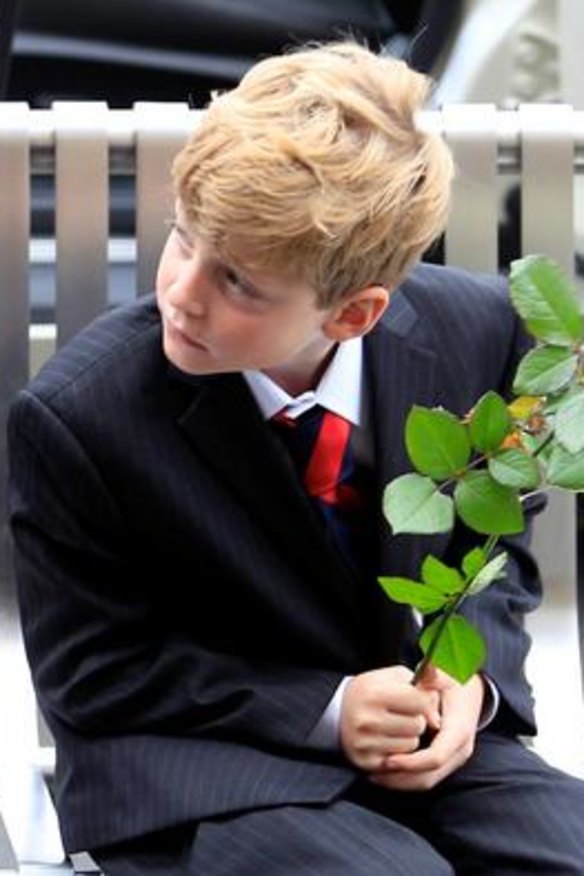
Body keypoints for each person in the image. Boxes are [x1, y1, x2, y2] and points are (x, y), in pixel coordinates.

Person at [8, 40, 584, 875]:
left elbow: (491, 556)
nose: (181, 291)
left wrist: (471, 682)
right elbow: (94, 671)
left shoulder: (479, 335)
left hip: (417, 747)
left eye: (238, 282)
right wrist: (328, 707)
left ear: (356, 313)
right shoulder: (78, 417)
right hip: (201, 769)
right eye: (183, 239)